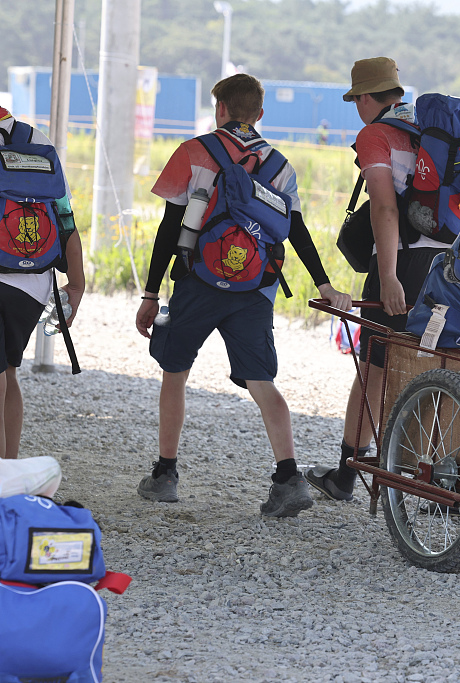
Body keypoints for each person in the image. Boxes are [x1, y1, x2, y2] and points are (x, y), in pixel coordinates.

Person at [134, 74, 351, 518]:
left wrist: (151, 292)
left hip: (197, 284)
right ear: (260, 114)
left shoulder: (194, 152)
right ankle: (288, 478)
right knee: (262, 383)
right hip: (255, 288)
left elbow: (169, 228)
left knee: (175, 371)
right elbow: (296, 230)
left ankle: (165, 475)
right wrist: (324, 283)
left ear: (220, 109)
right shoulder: (280, 166)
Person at [305, 57, 447, 501]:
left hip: (402, 264)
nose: (357, 109)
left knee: (374, 368)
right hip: (446, 266)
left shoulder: (376, 135)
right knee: (430, 366)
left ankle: (351, 474)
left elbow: (384, 208)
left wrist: (387, 275)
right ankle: (438, 476)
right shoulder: (433, 131)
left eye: (356, 100)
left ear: (366, 97)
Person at [0, 106, 86, 460]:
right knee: (8, 372)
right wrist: (77, 284)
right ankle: (10, 471)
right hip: (32, 283)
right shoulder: (37, 140)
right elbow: (63, 215)